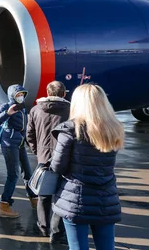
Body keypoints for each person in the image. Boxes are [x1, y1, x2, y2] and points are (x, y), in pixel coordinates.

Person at [51, 84, 124, 250]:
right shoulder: (114, 128)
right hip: (106, 198)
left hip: (76, 198)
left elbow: (58, 166)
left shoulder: (71, 129)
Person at [26, 81, 70, 243]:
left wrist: (37, 151)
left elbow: (29, 134)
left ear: (47, 91)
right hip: (65, 158)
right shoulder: (70, 110)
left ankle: (43, 227)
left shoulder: (35, 110)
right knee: (63, 195)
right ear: (64, 94)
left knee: (43, 195)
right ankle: (57, 230)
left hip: (43, 157)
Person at [0, 84, 38, 218]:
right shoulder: (6, 106)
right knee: (13, 175)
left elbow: (24, 127)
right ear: (12, 96)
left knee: (28, 173)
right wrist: (7, 113)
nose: (21, 97)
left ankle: (34, 199)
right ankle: (4, 204)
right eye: (18, 95)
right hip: (9, 144)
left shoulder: (22, 108)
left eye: (22, 94)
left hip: (20, 143)